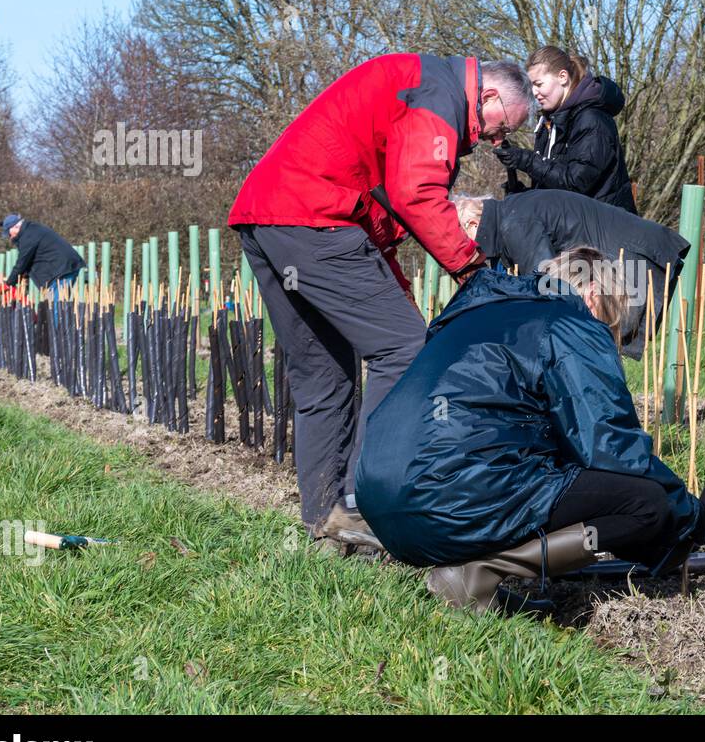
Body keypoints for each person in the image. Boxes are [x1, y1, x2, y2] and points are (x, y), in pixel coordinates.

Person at [227, 53, 532, 546]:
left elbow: (379, 223)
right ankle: (362, 504)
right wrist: (473, 272)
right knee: (407, 349)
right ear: (490, 96)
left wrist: (403, 293)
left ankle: (326, 526)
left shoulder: (418, 84)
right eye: (501, 129)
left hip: (270, 217)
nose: (495, 142)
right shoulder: (440, 93)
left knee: (324, 374)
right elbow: (416, 194)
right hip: (315, 217)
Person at [354, 247, 705, 614]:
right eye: (611, 321)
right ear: (593, 295)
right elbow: (610, 446)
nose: (610, 335)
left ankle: (477, 580)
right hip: (447, 498)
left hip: (382, 504)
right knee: (646, 506)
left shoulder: (476, 313)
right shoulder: (568, 323)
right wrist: (685, 511)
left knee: (546, 482)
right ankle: (480, 572)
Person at [453, 189, 688, 359]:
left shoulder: (515, 224)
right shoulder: (512, 212)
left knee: (598, 338)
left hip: (629, 258)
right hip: (622, 255)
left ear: (474, 224)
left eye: (461, 242)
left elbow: (547, 287)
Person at [495, 46, 637, 213]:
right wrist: (524, 195)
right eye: (532, 85)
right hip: (575, 226)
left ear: (562, 77)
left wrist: (526, 160)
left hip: (601, 231)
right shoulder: (549, 122)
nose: (534, 92)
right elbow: (554, 185)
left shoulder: (591, 120)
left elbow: (576, 183)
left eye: (538, 84)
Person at [2, 215, 85, 323]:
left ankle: (58, 336)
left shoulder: (28, 235)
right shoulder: (31, 230)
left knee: (56, 308)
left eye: (9, 233)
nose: (10, 237)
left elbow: (22, 262)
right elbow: (34, 258)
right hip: (58, 271)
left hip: (62, 271)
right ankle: (56, 334)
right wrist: (24, 276)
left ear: (15, 227)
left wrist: (8, 284)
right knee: (51, 306)